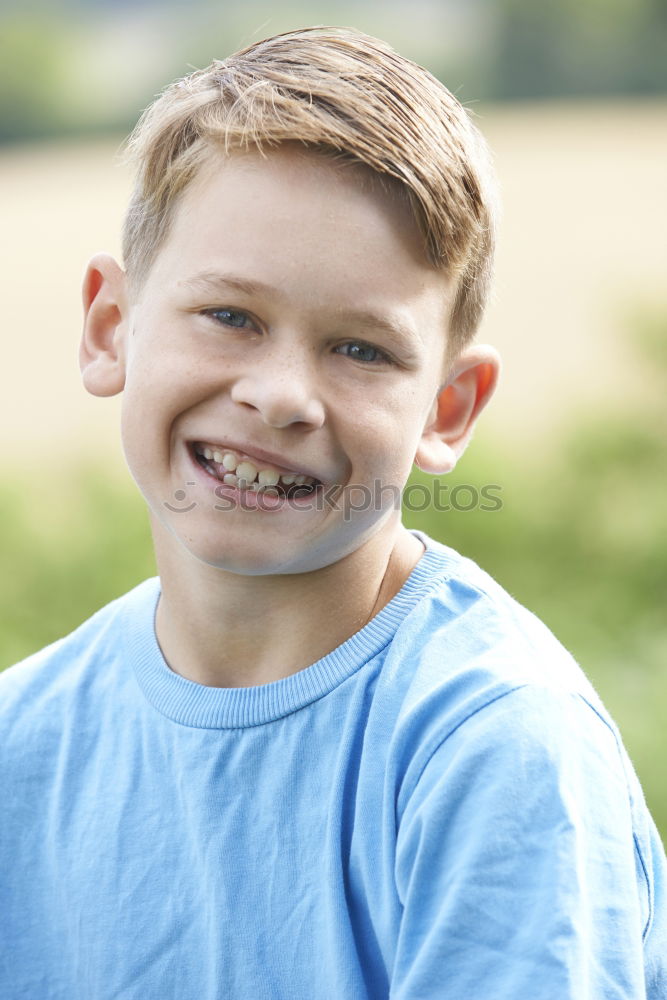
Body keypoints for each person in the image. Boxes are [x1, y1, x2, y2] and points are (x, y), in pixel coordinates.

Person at [1, 25, 665, 1000]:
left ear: (446, 410)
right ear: (111, 327)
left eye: (360, 349)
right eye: (231, 316)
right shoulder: (22, 745)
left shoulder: (493, 748)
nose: (280, 396)